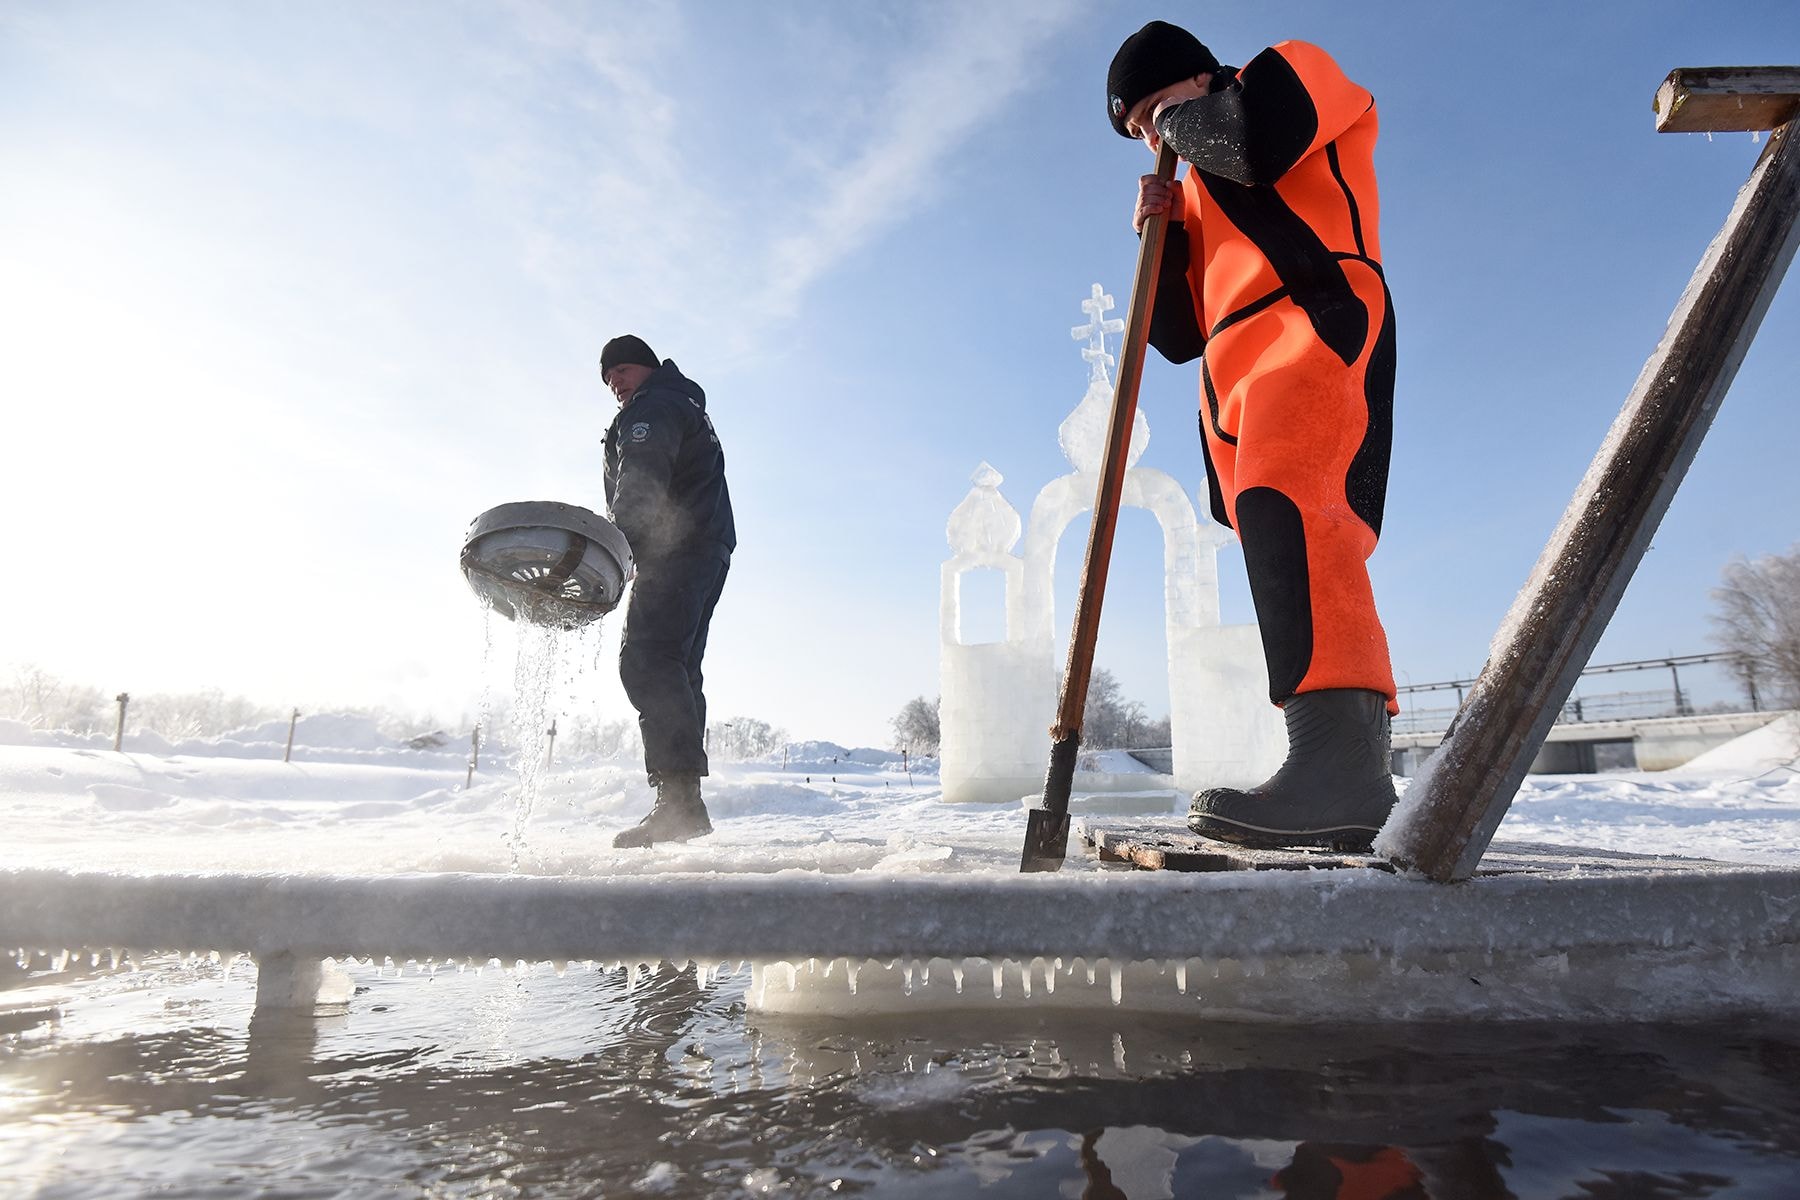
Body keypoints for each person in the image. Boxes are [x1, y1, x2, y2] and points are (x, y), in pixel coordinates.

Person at [1106, 22, 1399, 850]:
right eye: (1137, 131)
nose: (1152, 136)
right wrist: (1157, 239)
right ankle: (1338, 765)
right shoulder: (1193, 181)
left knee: (1295, 506)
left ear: (1198, 77)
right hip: (1231, 369)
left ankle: (1339, 768)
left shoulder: (1289, 74)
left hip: (1314, 316)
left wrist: (1174, 133)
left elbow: (1256, 144)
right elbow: (1174, 335)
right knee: (1274, 537)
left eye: (1157, 110)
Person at [599, 334, 735, 848]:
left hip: (675, 548)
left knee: (648, 659)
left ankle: (678, 803)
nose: (614, 383)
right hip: (703, 547)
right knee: (676, 665)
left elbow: (643, 475)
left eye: (621, 371)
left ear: (646, 368)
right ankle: (684, 804)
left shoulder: (653, 407)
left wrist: (620, 544)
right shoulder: (680, 402)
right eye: (608, 379)